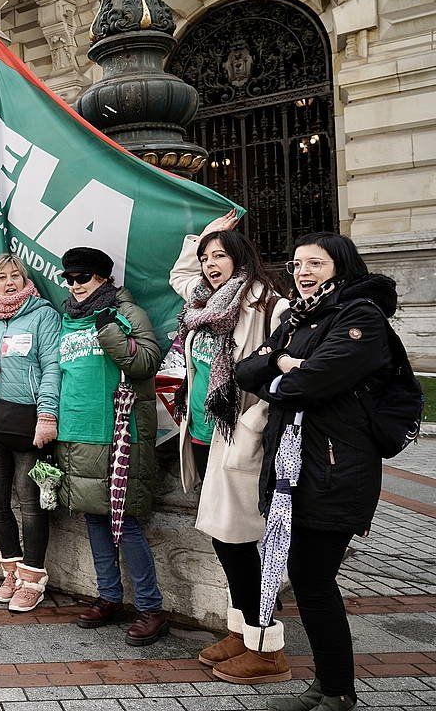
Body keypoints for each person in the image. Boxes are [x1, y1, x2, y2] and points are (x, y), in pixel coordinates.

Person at [235, 233, 398, 711]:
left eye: (315, 263)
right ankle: (331, 687)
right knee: (309, 580)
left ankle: (337, 692)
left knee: (314, 578)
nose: (302, 272)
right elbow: (248, 372)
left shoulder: (360, 316)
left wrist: (282, 369)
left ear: (341, 266)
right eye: (297, 263)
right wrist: (286, 363)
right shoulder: (301, 316)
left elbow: (310, 381)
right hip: (297, 465)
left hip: (335, 469)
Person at [169, 211, 291, 684]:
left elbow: (278, 375)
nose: (209, 263)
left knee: (242, 541)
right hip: (205, 433)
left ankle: (268, 646)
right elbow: (179, 275)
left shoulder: (265, 305)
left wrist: (252, 426)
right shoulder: (204, 300)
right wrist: (200, 236)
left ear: (242, 257)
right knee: (226, 541)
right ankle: (243, 631)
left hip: (239, 436)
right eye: (205, 257)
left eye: (220, 254)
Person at [54, 247, 165, 646]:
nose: (74, 285)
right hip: (76, 433)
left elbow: (147, 363)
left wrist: (109, 330)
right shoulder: (65, 316)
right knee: (94, 518)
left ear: (102, 277)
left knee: (127, 525)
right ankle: (109, 596)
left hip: (119, 433)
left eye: (82, 278)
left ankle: (151, 607)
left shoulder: (126, 313)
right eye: (69, 278)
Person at [0, 254, 62, 612]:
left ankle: (33, 578)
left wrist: (48, 414)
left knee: (30, 500)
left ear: (25, 279)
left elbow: (52, 367)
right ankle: (11, 568)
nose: (8, 282)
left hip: (29, 423)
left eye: (15, 276)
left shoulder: (43, 315)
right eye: (1, 277)